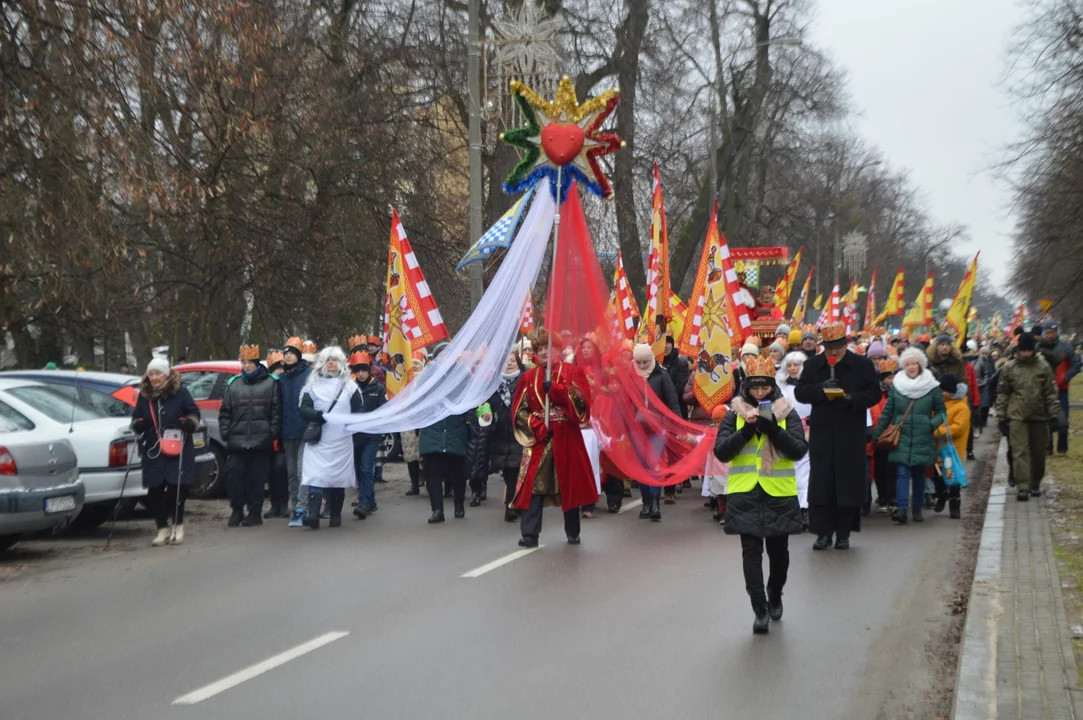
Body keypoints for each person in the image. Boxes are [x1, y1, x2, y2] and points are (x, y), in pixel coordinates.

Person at [714, 355, 808, 634]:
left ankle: (775, 593)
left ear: (772, 386)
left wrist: (772, 431)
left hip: (778, 491)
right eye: (754, 388)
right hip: (745, 491)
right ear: (745, 387)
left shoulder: (785, 410)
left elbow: (799, 449)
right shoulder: (734, 413)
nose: (758, 393)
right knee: (751, 553)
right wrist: (746, 432)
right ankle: (759, 607)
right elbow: (721, 451)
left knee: (779, 555)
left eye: (763, 388)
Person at [795, 324, 881, 550]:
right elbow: (800, 392)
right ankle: (822, 533)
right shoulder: (813, 365)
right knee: (822, 483)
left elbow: (874, 393)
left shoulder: (862, 365)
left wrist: (852, 399)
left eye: (837, 348)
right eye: (829, 348)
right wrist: (821, 389)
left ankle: (844, 533)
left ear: (845, 345)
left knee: (847, 483)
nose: (833, 353)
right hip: (822, 433)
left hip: (850, 432)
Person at [510, 328, 597, 547]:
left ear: (558, 350)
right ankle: (530, 534)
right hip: (540, 437)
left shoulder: (573, 372)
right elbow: (518, 410)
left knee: (569, 485)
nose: (544, 352)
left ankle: (572, 531)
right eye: (540, 348)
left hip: (566, 437)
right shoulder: (528, 377)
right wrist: (537, 426)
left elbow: (582, 404)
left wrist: (557, 390)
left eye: (549, 348)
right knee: (532, 485)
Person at [131, 358, 201, 546]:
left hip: (177, 446)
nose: (154, 377)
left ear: (167, 374)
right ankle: (162, 528)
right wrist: (138, 425)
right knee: (154, 490)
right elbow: (135, 418)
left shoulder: (181, 393)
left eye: (158, 373)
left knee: (176, 488)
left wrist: (189, 423)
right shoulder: (144, 395)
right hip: (153, 448)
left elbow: (194, 414)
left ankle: (178, 525)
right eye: (151, 374)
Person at [872, 349, 946, 524]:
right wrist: (877, 434)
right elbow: (887, 412)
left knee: (919, 474)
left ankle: (918, 508)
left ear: (920, 364)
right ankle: (903, 509)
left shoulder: (932, 386)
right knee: (902, 473)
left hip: (923, 436)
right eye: (907, 364)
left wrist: (931, 424)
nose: (911, 367)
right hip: (901, 436)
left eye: (914, 363)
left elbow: (942, 412)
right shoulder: (898, 387)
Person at [218, 345, 282, 527]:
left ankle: (255, 513)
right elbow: (225, 413)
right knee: (233, 476)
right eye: (244, 363)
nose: (247, 366)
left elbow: (276, 412)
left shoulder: (271, 383)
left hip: (261, 441)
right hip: (236, 441)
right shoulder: (233, 384)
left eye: (250, 363)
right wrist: (226, 433)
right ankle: (237, 510)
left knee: (257, 478)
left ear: (256, 364)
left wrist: (271, 433)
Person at [299, 347, 363, 528]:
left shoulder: (350, 387)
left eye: (334, 359)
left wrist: (349, 423)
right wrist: (317, 415)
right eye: (328, 359)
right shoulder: (312, 386)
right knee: (314, 475)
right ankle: (313, 515)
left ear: (341, 362)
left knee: (338, 477)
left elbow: (358, 410)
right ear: (322, 363)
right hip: (318, 439)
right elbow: (304, 409)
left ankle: (335, 515)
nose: (331, 363)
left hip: (341, 440)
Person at [996, 333, 1060, 500]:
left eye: (1029, 350)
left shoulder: (1043, 367)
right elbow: (1003, 394)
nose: (1026, 353)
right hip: (1017, 416)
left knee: (1038, 453)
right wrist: (1001, 417)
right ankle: (1022, 486)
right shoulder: (1010, 368)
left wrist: (1054, 415)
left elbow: (1050, 393)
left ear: (1033, 350)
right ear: (1019, 350)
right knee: (1020, 452)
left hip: (1039, 416)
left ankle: (1035, 482)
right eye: (1023, 350)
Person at [632, 343, 680, 520]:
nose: (643, 366)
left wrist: (678, 426)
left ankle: (654, 503)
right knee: (642, 467)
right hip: (636, 428)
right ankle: (645, 503)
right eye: (639, 362)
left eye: (646, 362)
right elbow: (624, 402)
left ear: (652, 359)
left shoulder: (662, 375)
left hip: (657, 428)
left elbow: (672, 401)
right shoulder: (631, 377)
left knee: (654, 464)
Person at [280, 337, 314, 527]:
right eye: (286, 353)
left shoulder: (309, 375)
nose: (288, 356)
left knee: (302, 471)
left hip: (304, 431)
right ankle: (295, 507)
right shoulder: (281, 379)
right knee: (291, 473)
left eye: (292, 353)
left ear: (299, 356)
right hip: (287, 432)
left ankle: (302, 507)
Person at [349, 351, 386, 519]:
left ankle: (363, 503)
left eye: (364, 370)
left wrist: (380, 430)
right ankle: (371, 502)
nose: (361, 374)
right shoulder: (350, 388)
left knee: (366, 468)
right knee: (358, 470)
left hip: (372, 436)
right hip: (355, 436)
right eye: (358, 370)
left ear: (369, 370)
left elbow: (384, 411)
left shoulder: (378, 388)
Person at [489, 351, 524, 522]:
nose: (509, 364)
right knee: (509, 471)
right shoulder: (494, 384)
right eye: (506, 361)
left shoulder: (524, 381)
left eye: (512, 360)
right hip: (500, 435)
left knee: (515, 469)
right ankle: (516, 502)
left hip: (519, 433)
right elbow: (486, 405)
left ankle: (511, 505)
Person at [777, 352, 812, 524]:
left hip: (807, 431)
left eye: (796, 365)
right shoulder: (780, 387)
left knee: (804, 469)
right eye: (789, 365)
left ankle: (804, 508)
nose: (792, 368)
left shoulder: (809, 386)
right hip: (787, 430)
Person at [1038, 321, 1081, 455]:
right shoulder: (1040, 347)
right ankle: (1048, 447)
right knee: (1046, 417)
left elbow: (1076, 364)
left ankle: (1062, 448)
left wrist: (1065, 377)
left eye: (1051, 332)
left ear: (1056, 332)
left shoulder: (1066, 347)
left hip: (1062, 387)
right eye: (1047, 332)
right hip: (1046, 388)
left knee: (1063, 417)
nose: (1049, 335)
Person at [421, 410, 471, 523]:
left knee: (458, 473)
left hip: (456, 431)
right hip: (431, 434)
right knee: (432, 475)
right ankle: (437, 510)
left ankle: (459, 504)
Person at [935, 373, 970, 519]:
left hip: (953, 450)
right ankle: (942, 496)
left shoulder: (961, 407)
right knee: (938, 476)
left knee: (953, 478)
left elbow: (959, 428)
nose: (942, 393)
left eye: (945, 390)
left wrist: (937, 431)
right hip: (938, 448)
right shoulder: (937, 404)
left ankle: (955, 506)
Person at [264, 350, 290, 519]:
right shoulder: (268, 386)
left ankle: (283, 504)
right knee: (271, 471)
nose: (279, 372)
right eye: (276, 369)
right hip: (268, 434)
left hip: (283, 434)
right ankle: (275, 504)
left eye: (282, 369)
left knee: (281, 469)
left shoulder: (287, 385)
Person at [870, 358, 898, 512]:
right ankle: (883, 496)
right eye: (889, 377)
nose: (892, 381)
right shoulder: (877, 396)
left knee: (893, 469)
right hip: (881, 437)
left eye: (894, 377)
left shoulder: (902, 393)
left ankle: (893, 497)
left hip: (896, 436)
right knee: (880, 469)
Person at [401, 351, 427, 496]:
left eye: (417, 363)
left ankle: (428, 481)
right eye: (412, 364)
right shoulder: (404, 380)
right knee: (410, 455)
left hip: (423, 420)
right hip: (408, 422)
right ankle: (414, 484)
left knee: (425, 455)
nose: (415, 367)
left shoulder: (428, 378)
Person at [661, 335, 690, 419]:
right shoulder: (654, 364)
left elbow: (679, 389)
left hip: (676, 411)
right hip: (659, 413)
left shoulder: (681, 364)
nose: (665, 346)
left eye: (668, 342)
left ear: (672, 345)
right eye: (663, 342)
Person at [974, 346, 996, 435]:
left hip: (986, 385)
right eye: (983, 353)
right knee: (981, 405)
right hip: (981, 385)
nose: (984, 355)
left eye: (986, 354)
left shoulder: (989, 362)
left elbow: (991, 373)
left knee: (985, 405)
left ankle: (983, 421)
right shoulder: (978, 361)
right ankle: (980, 422)